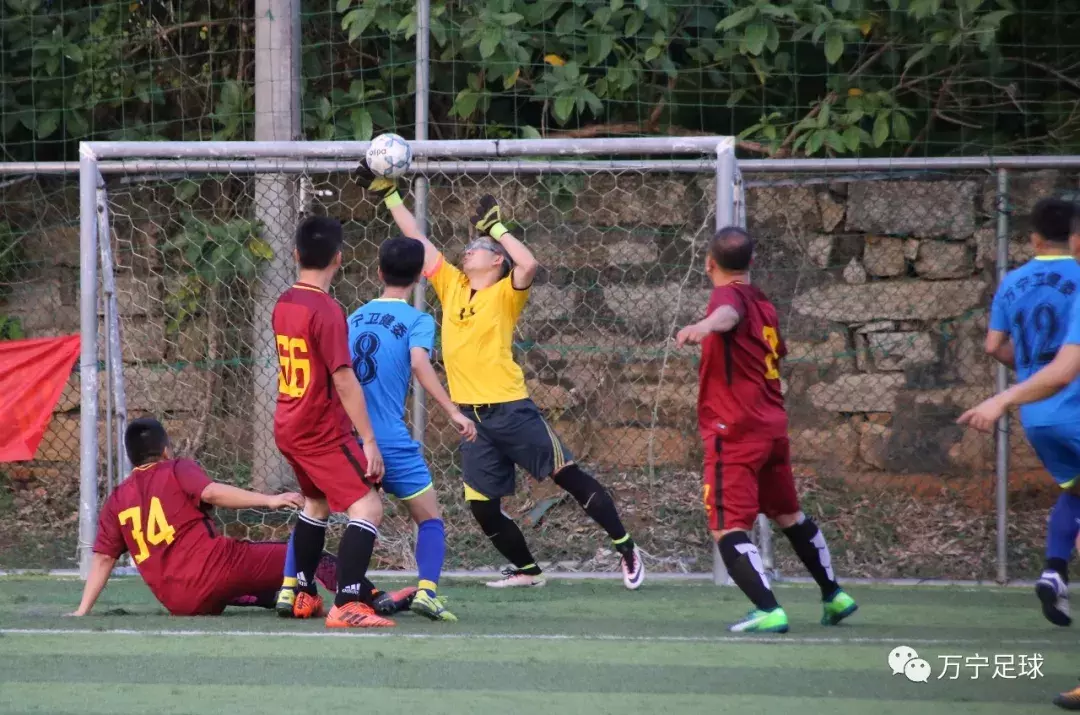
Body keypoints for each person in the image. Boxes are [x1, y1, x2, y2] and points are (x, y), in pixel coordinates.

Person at [354, 161, 644, 590]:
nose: (467, 250)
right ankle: (529, 572)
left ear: (495, 261)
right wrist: (390, 194)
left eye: (478, 246)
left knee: (568, 476)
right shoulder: (452, 285)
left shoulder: (506, 293)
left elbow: (529, 265)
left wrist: (497, 228)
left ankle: (625, 546)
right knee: (483, 508)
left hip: (511, 409)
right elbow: (418, 242)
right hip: (474, 419)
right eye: (469, 245)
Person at [674, 226, 856, 633]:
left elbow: (726, 315)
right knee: (789, 514)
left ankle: (768, 608)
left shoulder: (728, 297)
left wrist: (705, 326)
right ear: (751, 263)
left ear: (709, 263)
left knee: (726, 523)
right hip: (771, 426)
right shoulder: (764, 304)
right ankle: (834, 595)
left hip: (735, 429)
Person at [344, 234, 479, 620]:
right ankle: (427, 591)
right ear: (421, 276)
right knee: (429, 517)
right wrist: (453, 410)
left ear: (378, 272)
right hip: (388, 439)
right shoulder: (418, 319)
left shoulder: (352, 317)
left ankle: (293, 585)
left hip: (349, 437)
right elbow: (420, 363)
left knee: (317, 510)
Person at [959, 198, 1080, 627]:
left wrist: (1027, 376)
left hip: (1037, 414)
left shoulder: (1013, 281)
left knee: (1075, 493)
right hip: (1074, 403)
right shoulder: (1078, 277)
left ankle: (1054, 570)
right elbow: (1067, 367)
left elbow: (994, 346)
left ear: (1033, 238)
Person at [70, 418, 327, 616]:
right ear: (166, 451)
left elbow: (104, 557)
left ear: (131, 458)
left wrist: (83, 610)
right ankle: (356, 596)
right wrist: (270, 500)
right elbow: (212, 493)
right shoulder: (176, 468)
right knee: (306, 553)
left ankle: (271, 595)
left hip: (177, 602)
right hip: (215, 571)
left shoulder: (116, 499)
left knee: (228, 579)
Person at [271, 214, 393, 629]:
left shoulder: (285, 301)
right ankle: (347, 602)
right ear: (338, 259)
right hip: (317, 429)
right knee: (368, 505)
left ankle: (303, 593)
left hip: (288, 422)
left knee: (317, 502)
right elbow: (343, 379)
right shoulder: (327, 310)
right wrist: (369, 441)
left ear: (295, 255)